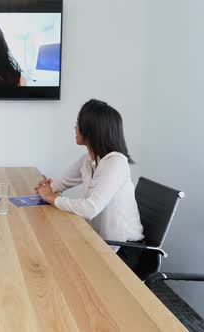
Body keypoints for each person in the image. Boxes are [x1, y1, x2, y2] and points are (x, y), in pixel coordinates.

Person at [35, 99, 144, 269]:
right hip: (101, 241)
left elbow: (90, 209)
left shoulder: (116, 163)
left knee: (58, 260)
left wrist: (53, 199)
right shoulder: (88, 160)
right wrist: (47, 188)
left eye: (78, 124)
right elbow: (59, 184)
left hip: (124, 250)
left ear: (91, 130)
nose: (75, 128)